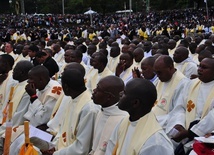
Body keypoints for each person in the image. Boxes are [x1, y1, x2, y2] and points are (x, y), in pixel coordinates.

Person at [105, 78, 174, 155]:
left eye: (124, 93)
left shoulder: (156, 142)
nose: (120, 94)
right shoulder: (124, 122)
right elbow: (111, 147)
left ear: (135, 103)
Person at [40, 69, 100, 155]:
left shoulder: (89, 109)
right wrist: (54, 147)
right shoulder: (72, 98)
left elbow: (82, 148)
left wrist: (56, 153)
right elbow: (63, 129)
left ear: (66, 87)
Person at [89, 75, 128, 155]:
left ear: (109, 97)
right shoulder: (102, 111)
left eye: (98, 89)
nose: (94, 90)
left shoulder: (123, 120)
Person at [152, 55, 189, 130]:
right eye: (156, 73)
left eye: (159, 73)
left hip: (165, 126)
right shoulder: (160, 79)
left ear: (170, 68)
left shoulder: (183, 84)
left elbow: (178, 113)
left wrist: (153, 121)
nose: (157, 76)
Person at [0, 61, 33, 135]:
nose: (12, 71)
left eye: (15, 70)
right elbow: (5, 106)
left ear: (22, 72)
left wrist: (2, 127)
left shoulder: (27, 90)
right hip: (3, 122)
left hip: (12, 127)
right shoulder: (17, 85)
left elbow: (18, 117)